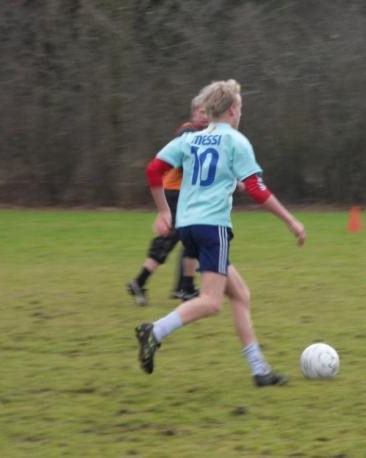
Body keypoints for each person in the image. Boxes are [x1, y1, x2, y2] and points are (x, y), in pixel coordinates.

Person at [135, 79, 306, 387]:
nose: (241, 114)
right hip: (212, 227)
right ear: (232, 110)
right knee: (211, 302)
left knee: (240, 293)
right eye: (241, 108)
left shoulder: (191, 139)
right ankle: (155, 331)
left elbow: (153, 170)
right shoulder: (236, 141)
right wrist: (290, 220)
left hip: (187, 226)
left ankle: (260, 371)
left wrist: (164, 211)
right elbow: (256, 188)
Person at [126, 94, 209, 306]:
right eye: (202, 112)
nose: (206, 116)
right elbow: (186, 161)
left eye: (209, 112)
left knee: (179, 239)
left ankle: (148, 282)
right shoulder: (188, 131)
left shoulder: (206, 134)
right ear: (194, 113)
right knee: (180, 238)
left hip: (183, 193)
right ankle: (184, 287)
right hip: (175, 192)